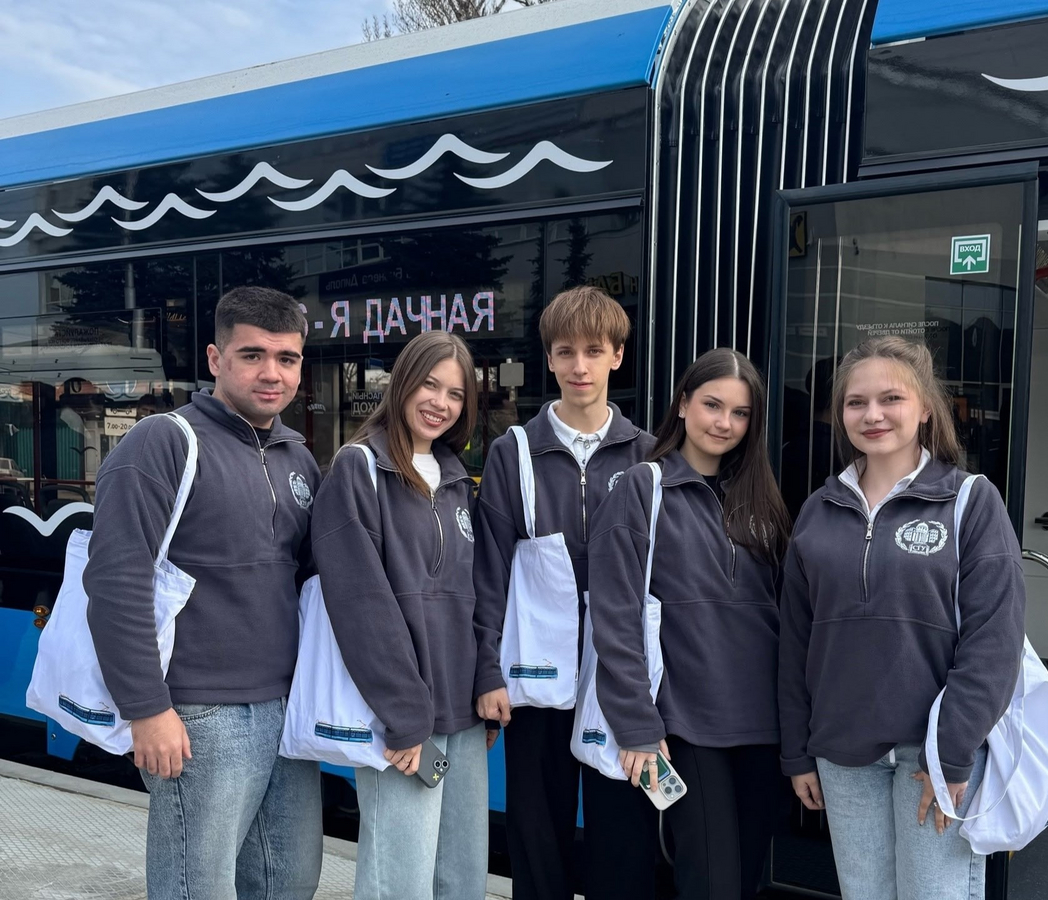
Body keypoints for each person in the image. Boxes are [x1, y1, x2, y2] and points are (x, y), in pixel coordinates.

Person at [84, 286, 323, 900]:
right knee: (197, 888)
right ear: (216, 359)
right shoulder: (162, 443)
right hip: (200, 715)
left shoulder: (299, 459)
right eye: (252, 355)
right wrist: (147, 708)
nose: (272, 373)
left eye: (287, 358)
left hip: (286, 709)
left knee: (289, 883)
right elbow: (115, 581)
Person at [778, 336, 1026, 900]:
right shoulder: (819, 510)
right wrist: (797, 750)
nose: (873, 415)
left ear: (926, 408)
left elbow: (994, 639)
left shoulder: (970, 500)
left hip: (933, 752)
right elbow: (795, 641)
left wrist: (952, 753)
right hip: (842, 753)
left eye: (891, 398)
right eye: (856, 402)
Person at [472, 286, 658, 900]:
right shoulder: (513, 453)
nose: (580, 366)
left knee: (623, 838)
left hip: (619, 679)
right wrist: (487, 671)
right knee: (537, 839)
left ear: (617, 357)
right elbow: (490, 572)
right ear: (549, 359)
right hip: (535, 680)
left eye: (594, 351)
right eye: (566, 352)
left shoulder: (648, 454)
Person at [587, 347, 793, 900]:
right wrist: (637, 724)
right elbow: (615, 616)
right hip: (683, 725)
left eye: (740, 413)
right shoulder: (642, 488)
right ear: (683, 404)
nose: (725, 423)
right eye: (712, 405)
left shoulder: (763, 500)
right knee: (710, 882)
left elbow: (786, 619)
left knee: (743, 882)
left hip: (763, 725)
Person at [311, 330, 487, 900]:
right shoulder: (360, 468)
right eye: (430, 385)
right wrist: (406, 714)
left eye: (456, 394)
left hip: (462, 712)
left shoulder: (457, 479)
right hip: (404, 718)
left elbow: (474, 594)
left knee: (461, 877)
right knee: (400, 882)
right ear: (403, 383)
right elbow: (360, 603)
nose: (441, 403)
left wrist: (485, 684)